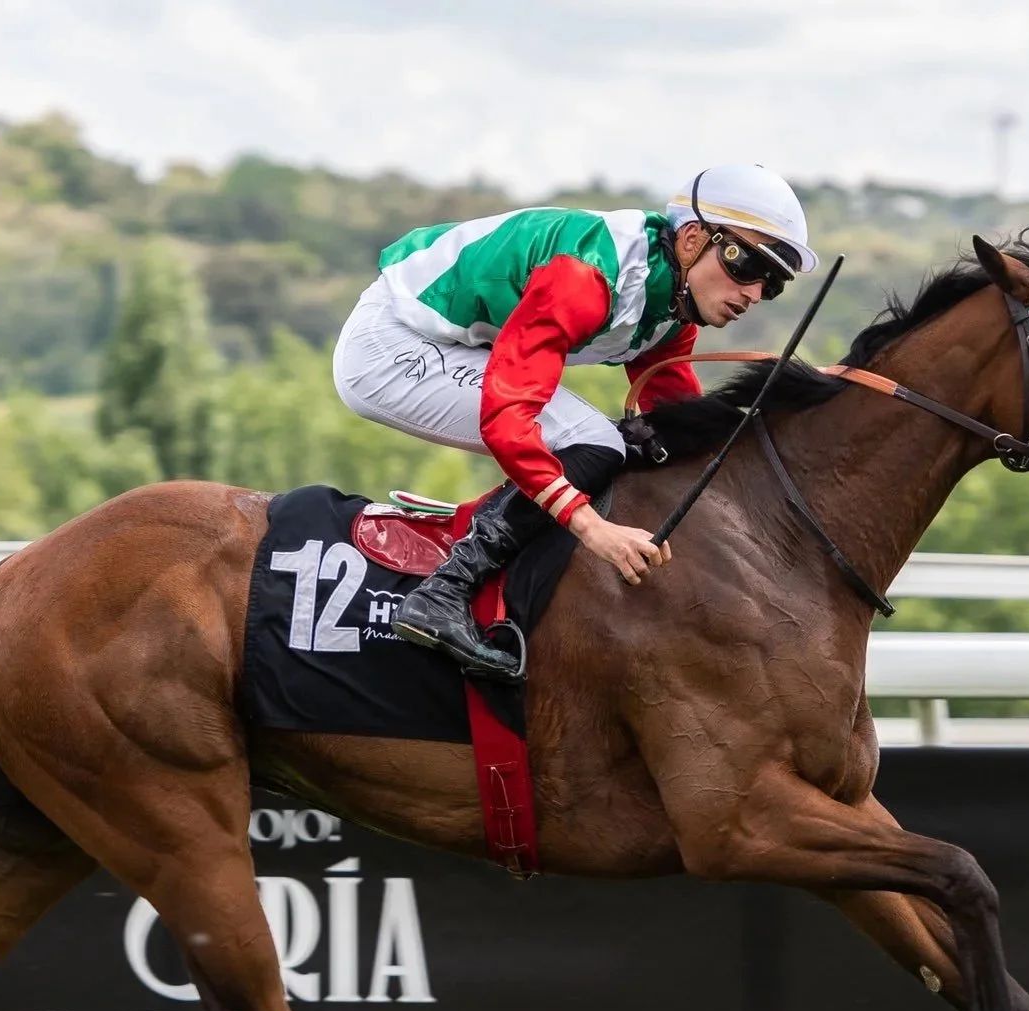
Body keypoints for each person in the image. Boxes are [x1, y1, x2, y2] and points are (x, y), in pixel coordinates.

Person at [331, 163, 819, 678]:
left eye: (773, 283)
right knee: (597, 441)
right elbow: (507, 421)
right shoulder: (584, 277)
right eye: (747, 267)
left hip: (458, 346)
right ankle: (445, 591)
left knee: (620, 443)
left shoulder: (673, 297)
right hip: (391, 345)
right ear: (693, 238)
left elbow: (674, 412)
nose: (755, 294)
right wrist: (592, 528)